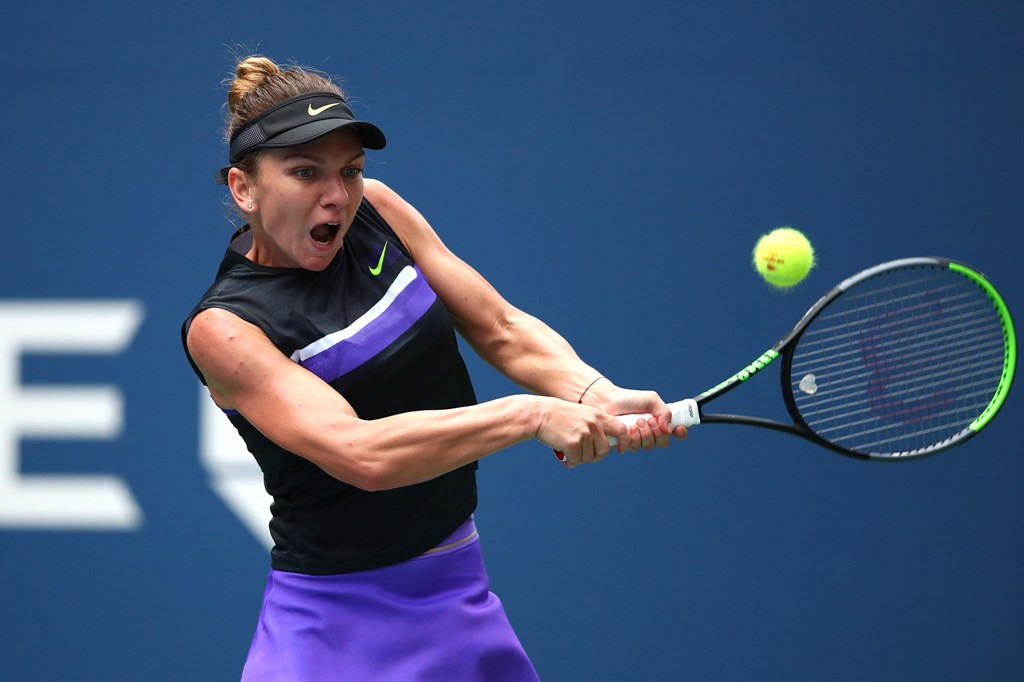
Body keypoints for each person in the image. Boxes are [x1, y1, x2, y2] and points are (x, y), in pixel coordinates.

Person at [182, 54, 687, 681]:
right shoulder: (227, 327)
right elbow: (362, 454)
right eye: (306, 172)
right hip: (333, 626)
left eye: (351, 171)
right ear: (244, 188)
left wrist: (593, 391)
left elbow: (498, 326)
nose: (337, 195)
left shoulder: (379, 215)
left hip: (457, 590)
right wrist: (530, 414)